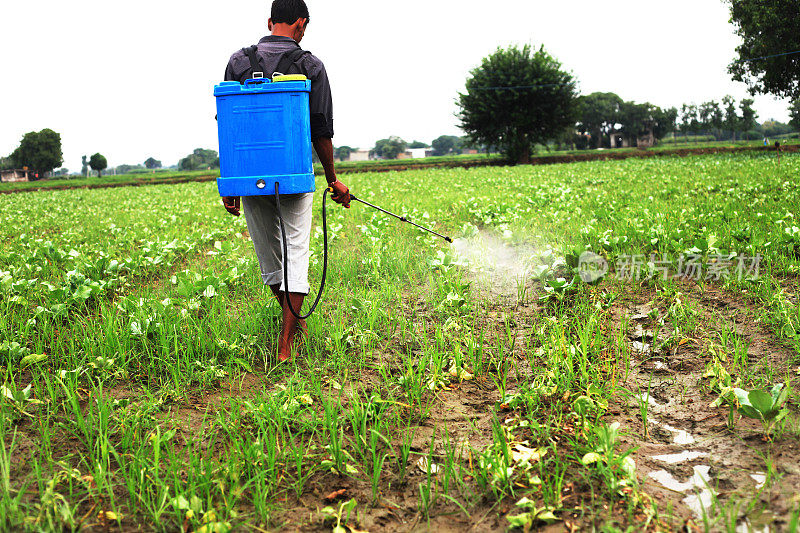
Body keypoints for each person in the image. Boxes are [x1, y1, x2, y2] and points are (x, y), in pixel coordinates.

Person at [221, 0, 351, 361]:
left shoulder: (238, 62)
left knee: (270, 259)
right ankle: (286, 344)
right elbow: (320, 129)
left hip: (250, 177)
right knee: (295, 253)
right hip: (293, 176)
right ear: (301, 24)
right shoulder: (311, 66)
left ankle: (292, 326)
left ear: (269, 22)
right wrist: (333, 179)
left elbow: (229, 124)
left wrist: (231, 184)